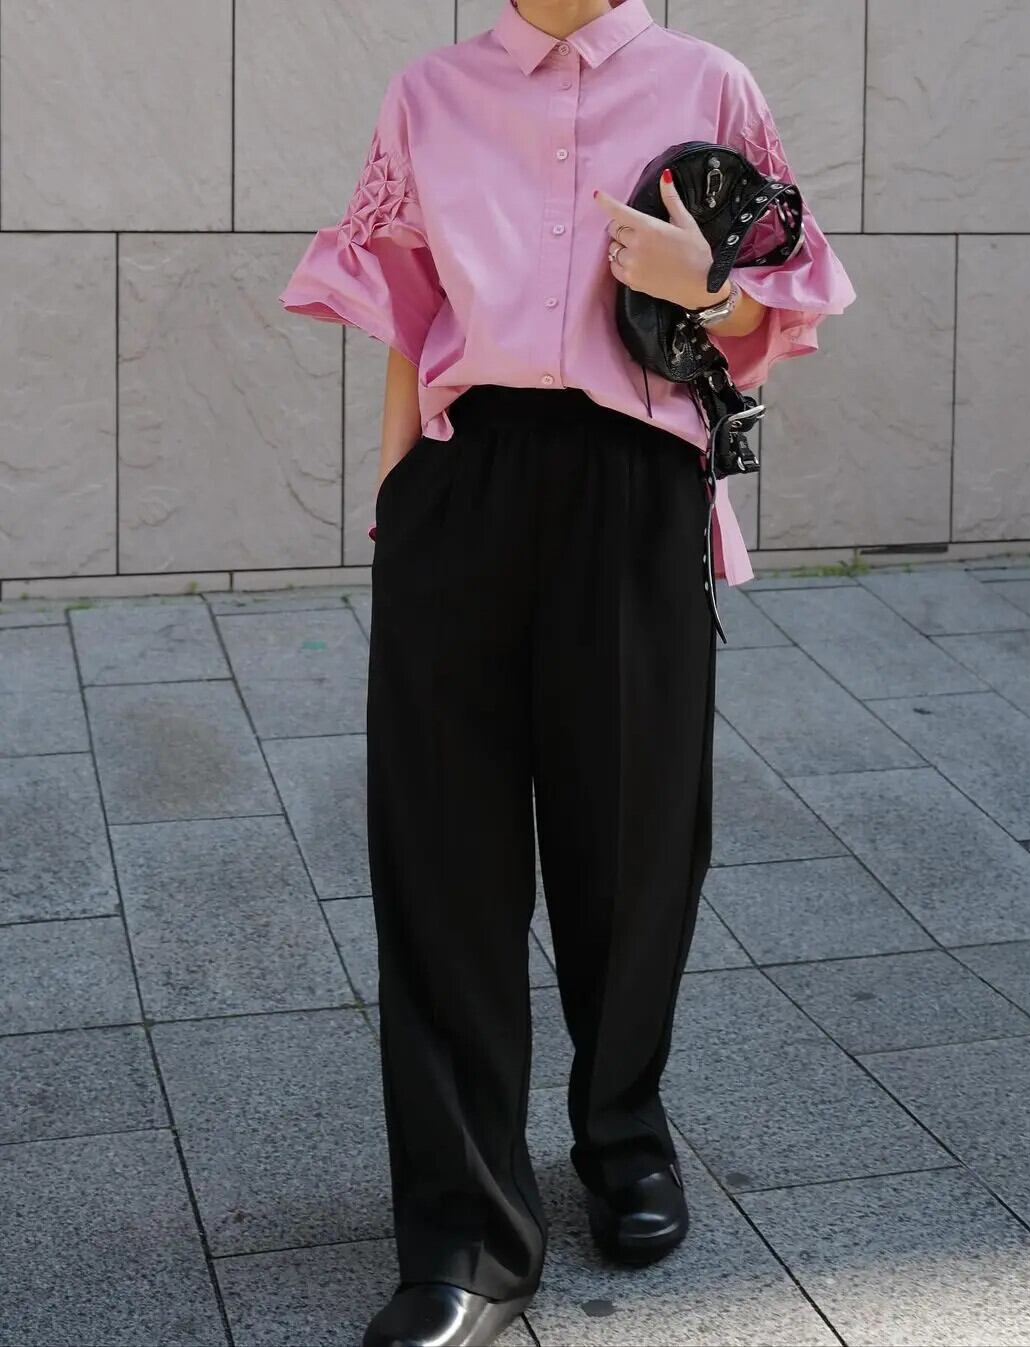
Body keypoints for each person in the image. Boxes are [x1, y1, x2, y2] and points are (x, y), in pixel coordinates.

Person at [279, 2, 855, 1343]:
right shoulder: (429, 94)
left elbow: (782, 303)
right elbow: (409, 316)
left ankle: (623, 1137)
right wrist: (397, 513)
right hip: (463, 482)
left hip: (636, 489)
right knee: (441, 860)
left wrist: (698, 283)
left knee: (635, 844)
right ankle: (466, 1239)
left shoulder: (708, 83)